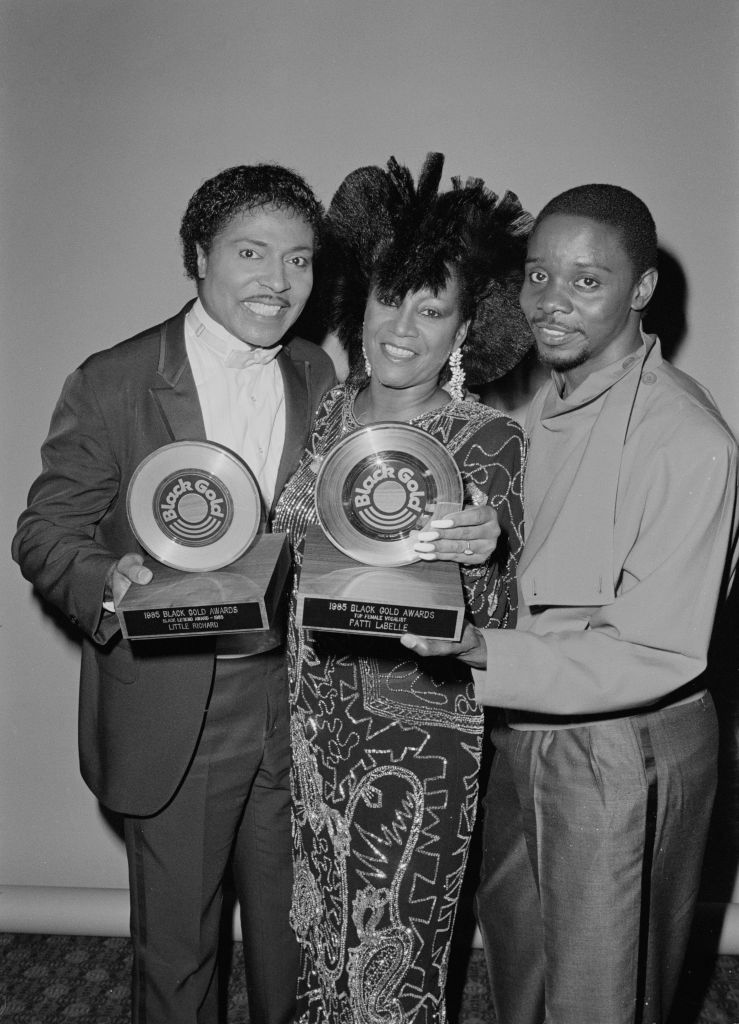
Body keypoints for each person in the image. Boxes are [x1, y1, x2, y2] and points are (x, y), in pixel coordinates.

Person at [401, 184, 739, 1024]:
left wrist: (479, 649)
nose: (550, 302)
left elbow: (654, 650)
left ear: (641, 288)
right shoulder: (548, 404)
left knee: (600, 992)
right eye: (537, 275)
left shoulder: (685, 439)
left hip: (620, 744)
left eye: (586, 281)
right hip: (524, 726)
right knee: (522, 967)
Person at [12, 164, 337, 1024]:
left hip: (295, 703)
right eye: (251, 252)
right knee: (178, 957)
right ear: (198, 256)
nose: (278, 281)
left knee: (296, 940)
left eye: (299, 259)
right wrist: (104, 581)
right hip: (176, 700)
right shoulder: (114, 379)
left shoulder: (317, 371)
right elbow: (43, 531)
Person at [272, 152, 533, 1023]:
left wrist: (485, 552)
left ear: (466, 329)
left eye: (432, 309)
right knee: (322, 935)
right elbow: (288, 548)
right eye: (391, 299)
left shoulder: (488, 438)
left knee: (394, 951)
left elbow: (498, 619)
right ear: (361, 301)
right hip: (315, 717)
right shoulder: (330, 411)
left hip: (416, 736)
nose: (402, 328)